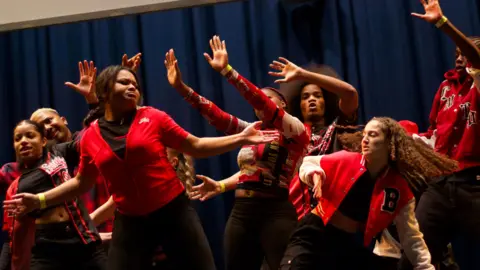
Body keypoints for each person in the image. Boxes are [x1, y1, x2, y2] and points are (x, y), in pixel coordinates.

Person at [4, 64, 276, 270]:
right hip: (131, 222)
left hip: (174, 213)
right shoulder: (90, 136)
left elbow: (195, 145)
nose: (132, 86)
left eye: (134, 82)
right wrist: (38, 200)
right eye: (124, 82)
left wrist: (240, 137)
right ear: (106, 90)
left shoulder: (153, 117)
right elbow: (80, 183)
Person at [164, 34, 310, 270]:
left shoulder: (295, 130)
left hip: (276, 211)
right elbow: (216, 116)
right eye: (259, 102)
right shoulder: (252, 131)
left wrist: (227, 71)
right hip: (242, 212)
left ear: (282, 104)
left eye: (269, 98)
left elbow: (259, 100)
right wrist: (182, 88)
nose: (260, 103)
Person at [279, 117, 459, 269]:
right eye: (364, 134)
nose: (364, 139)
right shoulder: (347, 159)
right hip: (313, 235)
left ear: (390, 144)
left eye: (372, 135)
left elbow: (411, 237)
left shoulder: (398, 189)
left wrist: (425, 267)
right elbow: (309, 162)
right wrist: (314, 175)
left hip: (346, 244)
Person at [398, 1, 480, 269]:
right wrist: (407, 139)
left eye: (464, 52)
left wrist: (443, 24)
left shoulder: (477, 83)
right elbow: (433, 133)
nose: (459, 58)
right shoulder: (445, 87)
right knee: (415, 256)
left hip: (474, 183)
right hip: (440, 184)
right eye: (456, 53)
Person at [10, 120, 107, 269]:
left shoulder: (58, 153)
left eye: (30, 136)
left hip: (82, 239)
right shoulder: (19, 181)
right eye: (18, 139)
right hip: (48, 248)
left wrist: (93, 103)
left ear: (43, 141)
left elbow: (90, 138)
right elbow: (19, 232)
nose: (23, 141)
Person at [269, 60, 359, 220]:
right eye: (306, 97)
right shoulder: (289, 136)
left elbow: (350, 94)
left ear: (326, 102)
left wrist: (303, 75)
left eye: (317, 95)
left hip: (337, 214)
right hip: (298, 216)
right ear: (298, 104)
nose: (312, 99)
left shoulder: (339, 129)